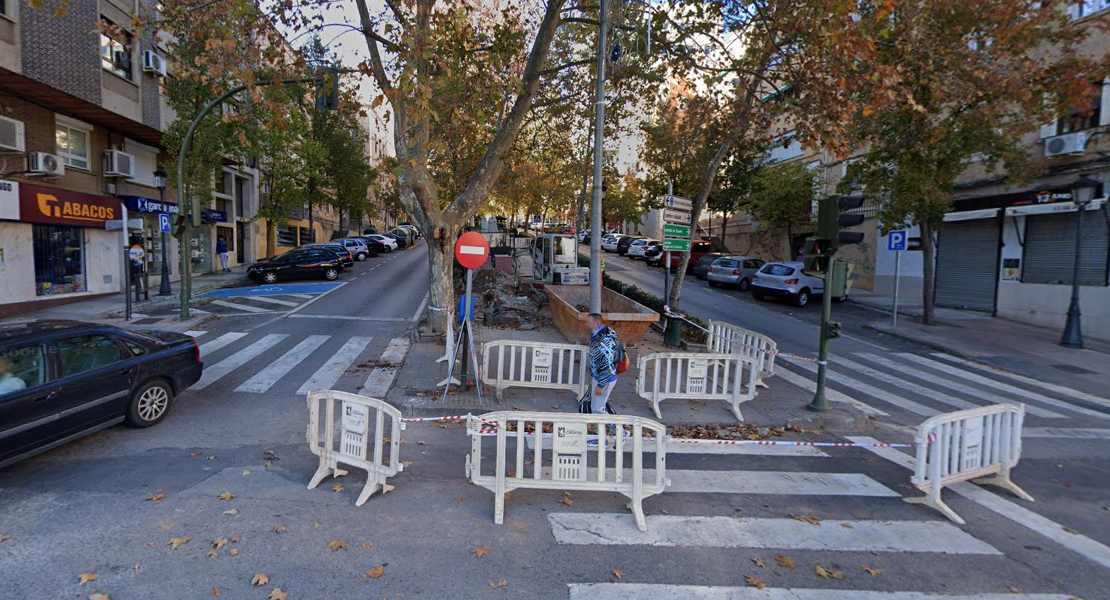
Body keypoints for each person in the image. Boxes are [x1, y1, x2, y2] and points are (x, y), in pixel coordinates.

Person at [585, 313, 619, 415]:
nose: (586, 324)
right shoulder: (599, 337)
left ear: (596, 324)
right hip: (600, 378)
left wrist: (600, 385)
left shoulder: (604, 341)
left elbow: (607, 364)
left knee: (597, 410)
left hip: (604, 380)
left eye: (588, 322)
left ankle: (620, 431)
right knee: (598, 408)